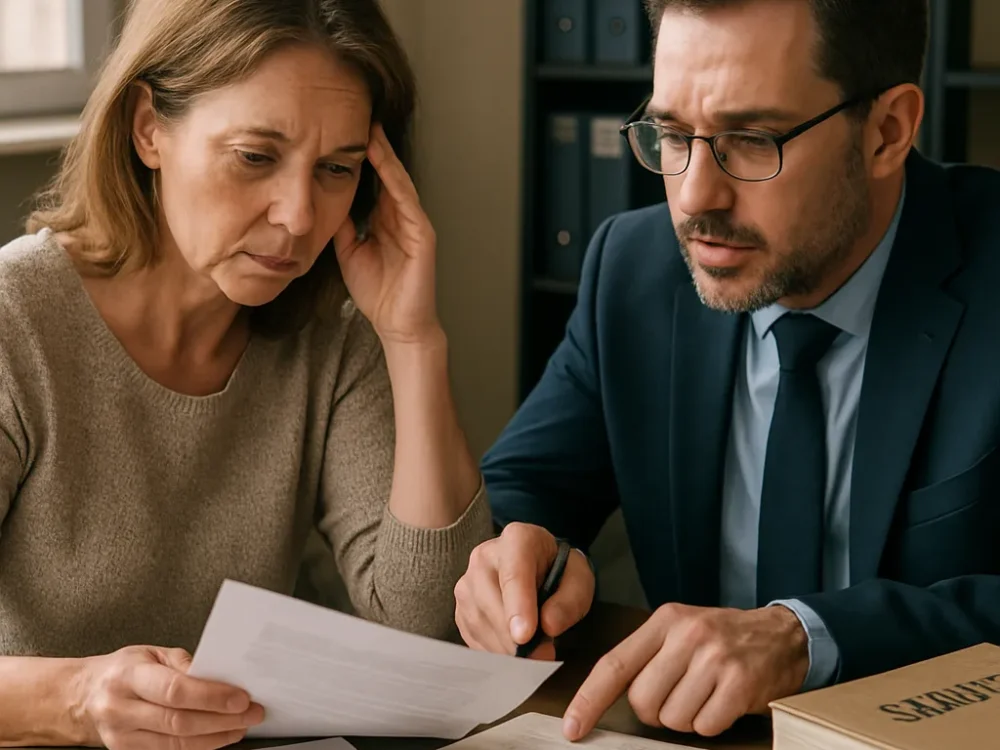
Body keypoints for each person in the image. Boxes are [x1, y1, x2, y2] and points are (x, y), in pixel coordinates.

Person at [455, 0, 1000, 741]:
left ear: (888, 131)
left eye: (750, 140)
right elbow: (529, 485)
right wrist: (521, 554)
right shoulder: (634, 269)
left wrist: (806, 640)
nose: (693, 197)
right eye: (672, 134)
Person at [0, 0, 493, 747]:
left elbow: (421, 627)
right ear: (148, 128)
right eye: (256, 157)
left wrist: (413, 339)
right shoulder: (16, 323)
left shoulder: (331, 338)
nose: (299, 216)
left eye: (336, 170)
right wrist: (79, 698)